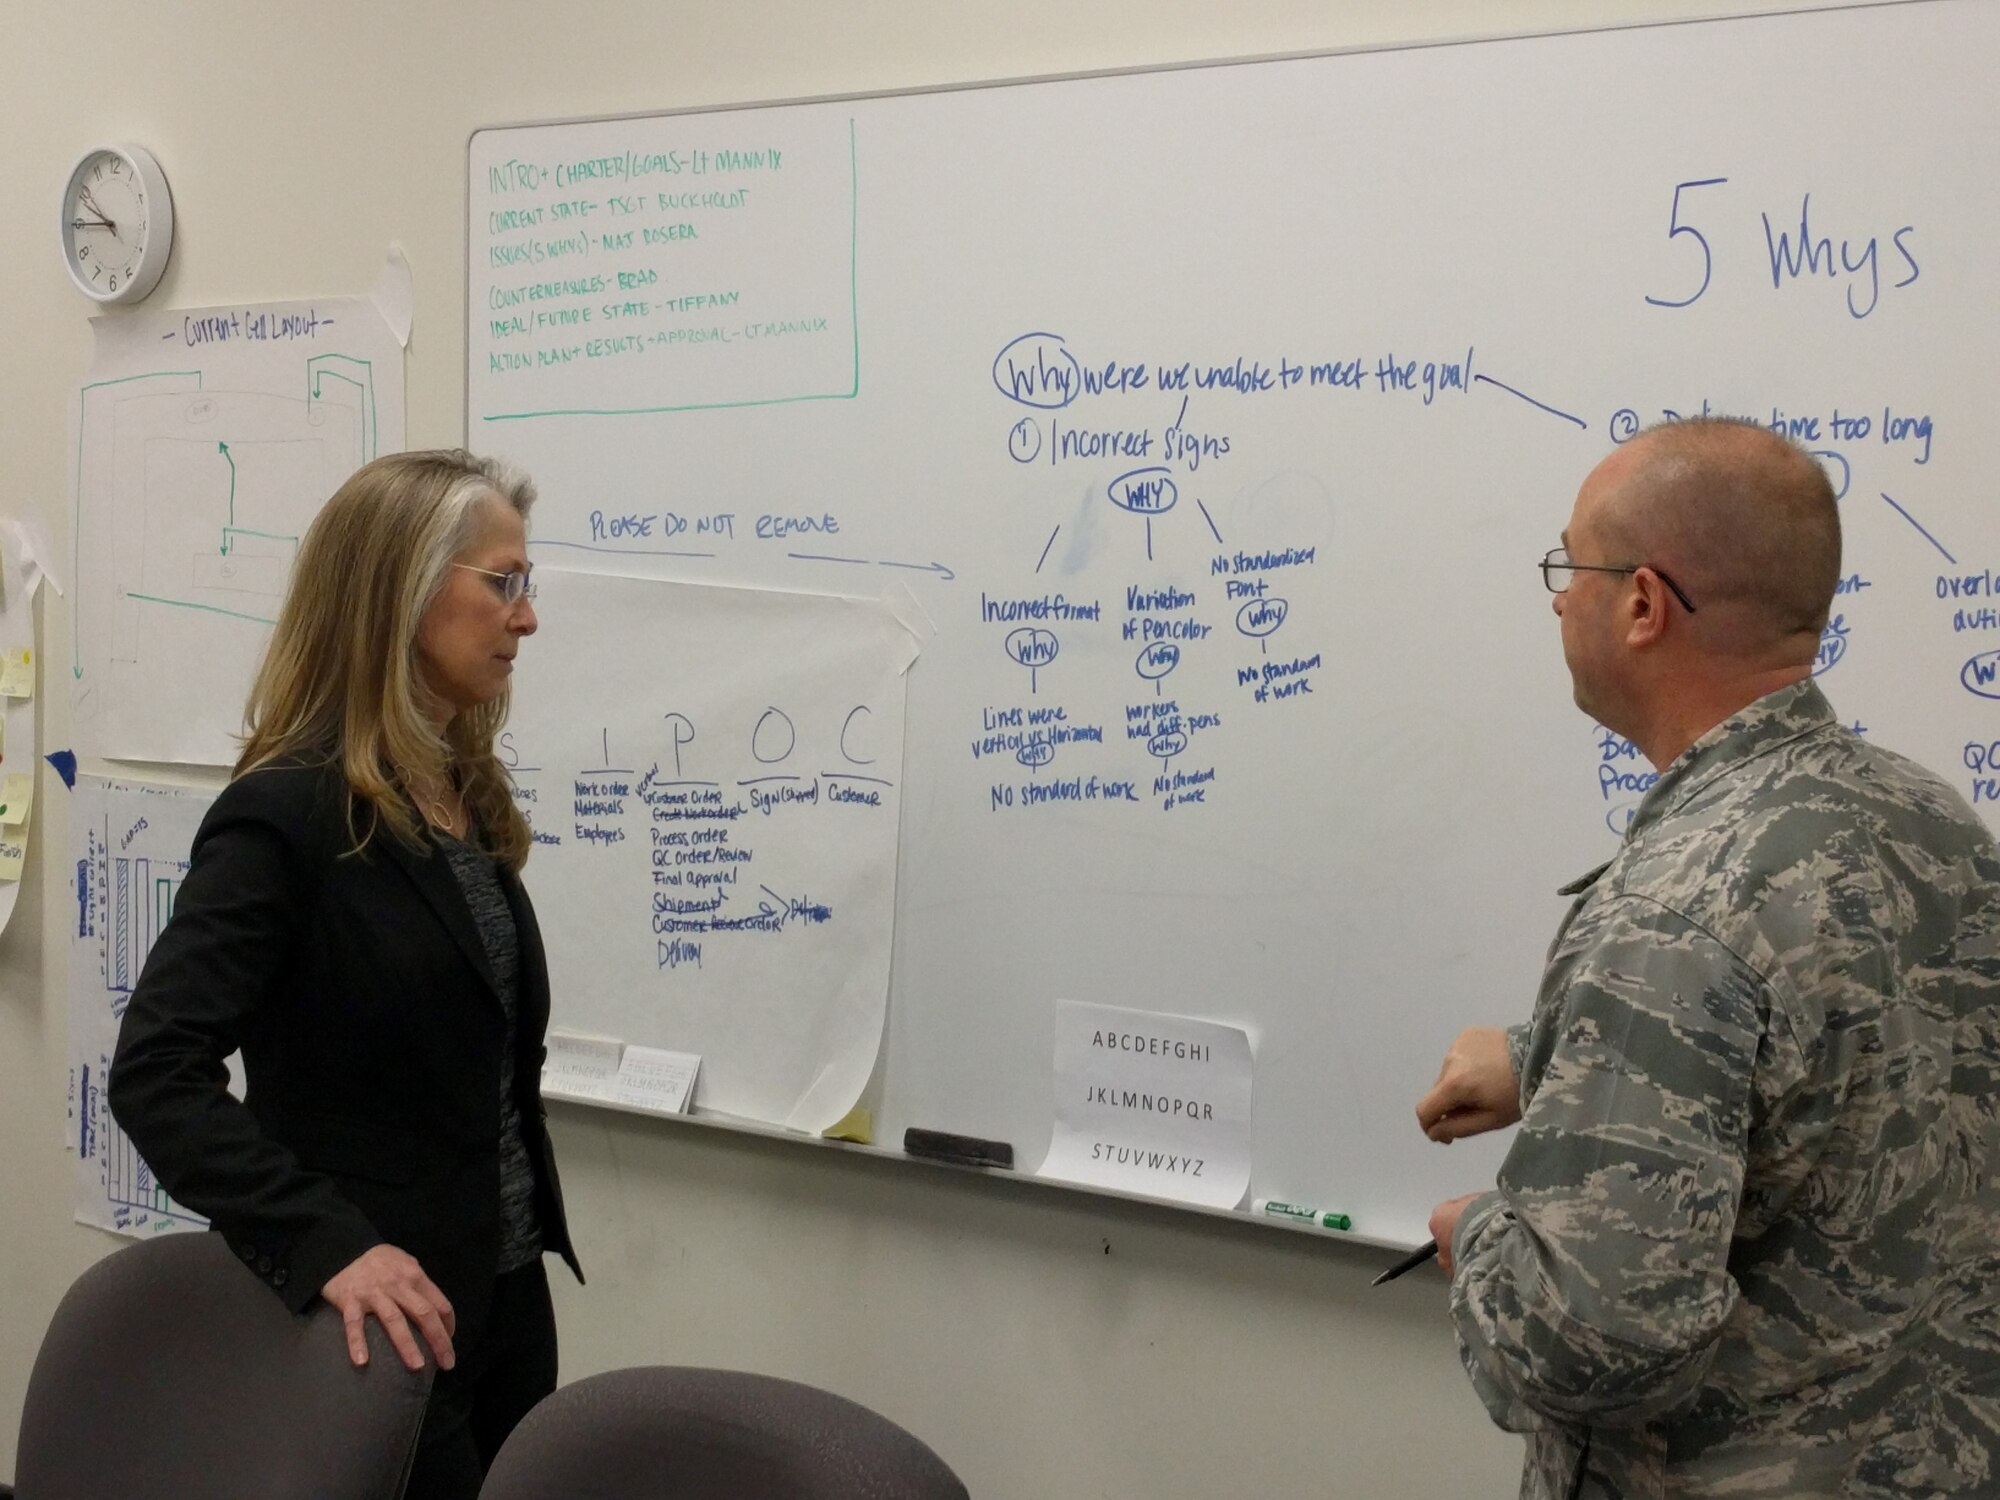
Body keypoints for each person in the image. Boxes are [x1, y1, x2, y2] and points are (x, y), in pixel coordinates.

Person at [1415, 418, 2000, 1497]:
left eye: (1568, 567)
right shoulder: (1933, 823)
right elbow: (1837, 1074)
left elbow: (1592, 1341)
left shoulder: (1671, 911)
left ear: (1640, 604)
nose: (1555, 599)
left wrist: (1483, 1235)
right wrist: (1545, 1054)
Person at [110, 449, 582, 1500]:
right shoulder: (288, 812)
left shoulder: (459, 794)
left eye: (526, 583)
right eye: (501, 583)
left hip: (501, 1295)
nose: (526, 616)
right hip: (384, 1317)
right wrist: (327, 1247)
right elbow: (157, 1071)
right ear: (401, 590)